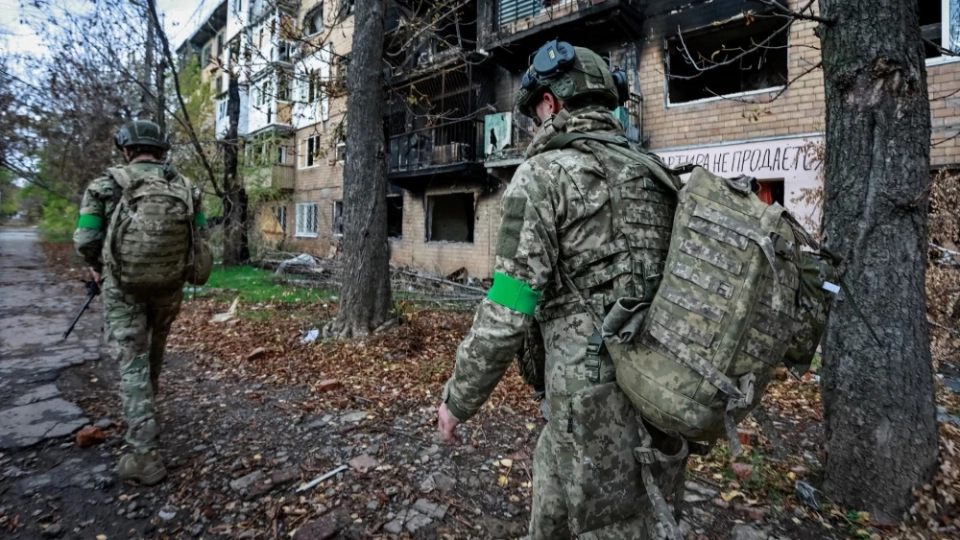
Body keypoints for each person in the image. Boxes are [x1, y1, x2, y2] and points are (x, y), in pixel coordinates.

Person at [436, 41, 687, 538]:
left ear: (551, 103)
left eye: (534, 112)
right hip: (662, 389)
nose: (533, 125)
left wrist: (459, 398)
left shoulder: (544, 175)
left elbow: (509, 304)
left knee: (605, 522)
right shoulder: (654, 173)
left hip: (589, 404)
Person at [74, 120, 207, 485]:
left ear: (127, 149)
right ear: (162, 151)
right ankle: (147, 412)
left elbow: (86, 238)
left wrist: (97, 267)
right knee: (155, 348)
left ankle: (144, 454)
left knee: (132, 359)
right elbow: (201, 234)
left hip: (123, 287)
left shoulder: (104, 184)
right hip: (169, 285)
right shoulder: (186, 186)